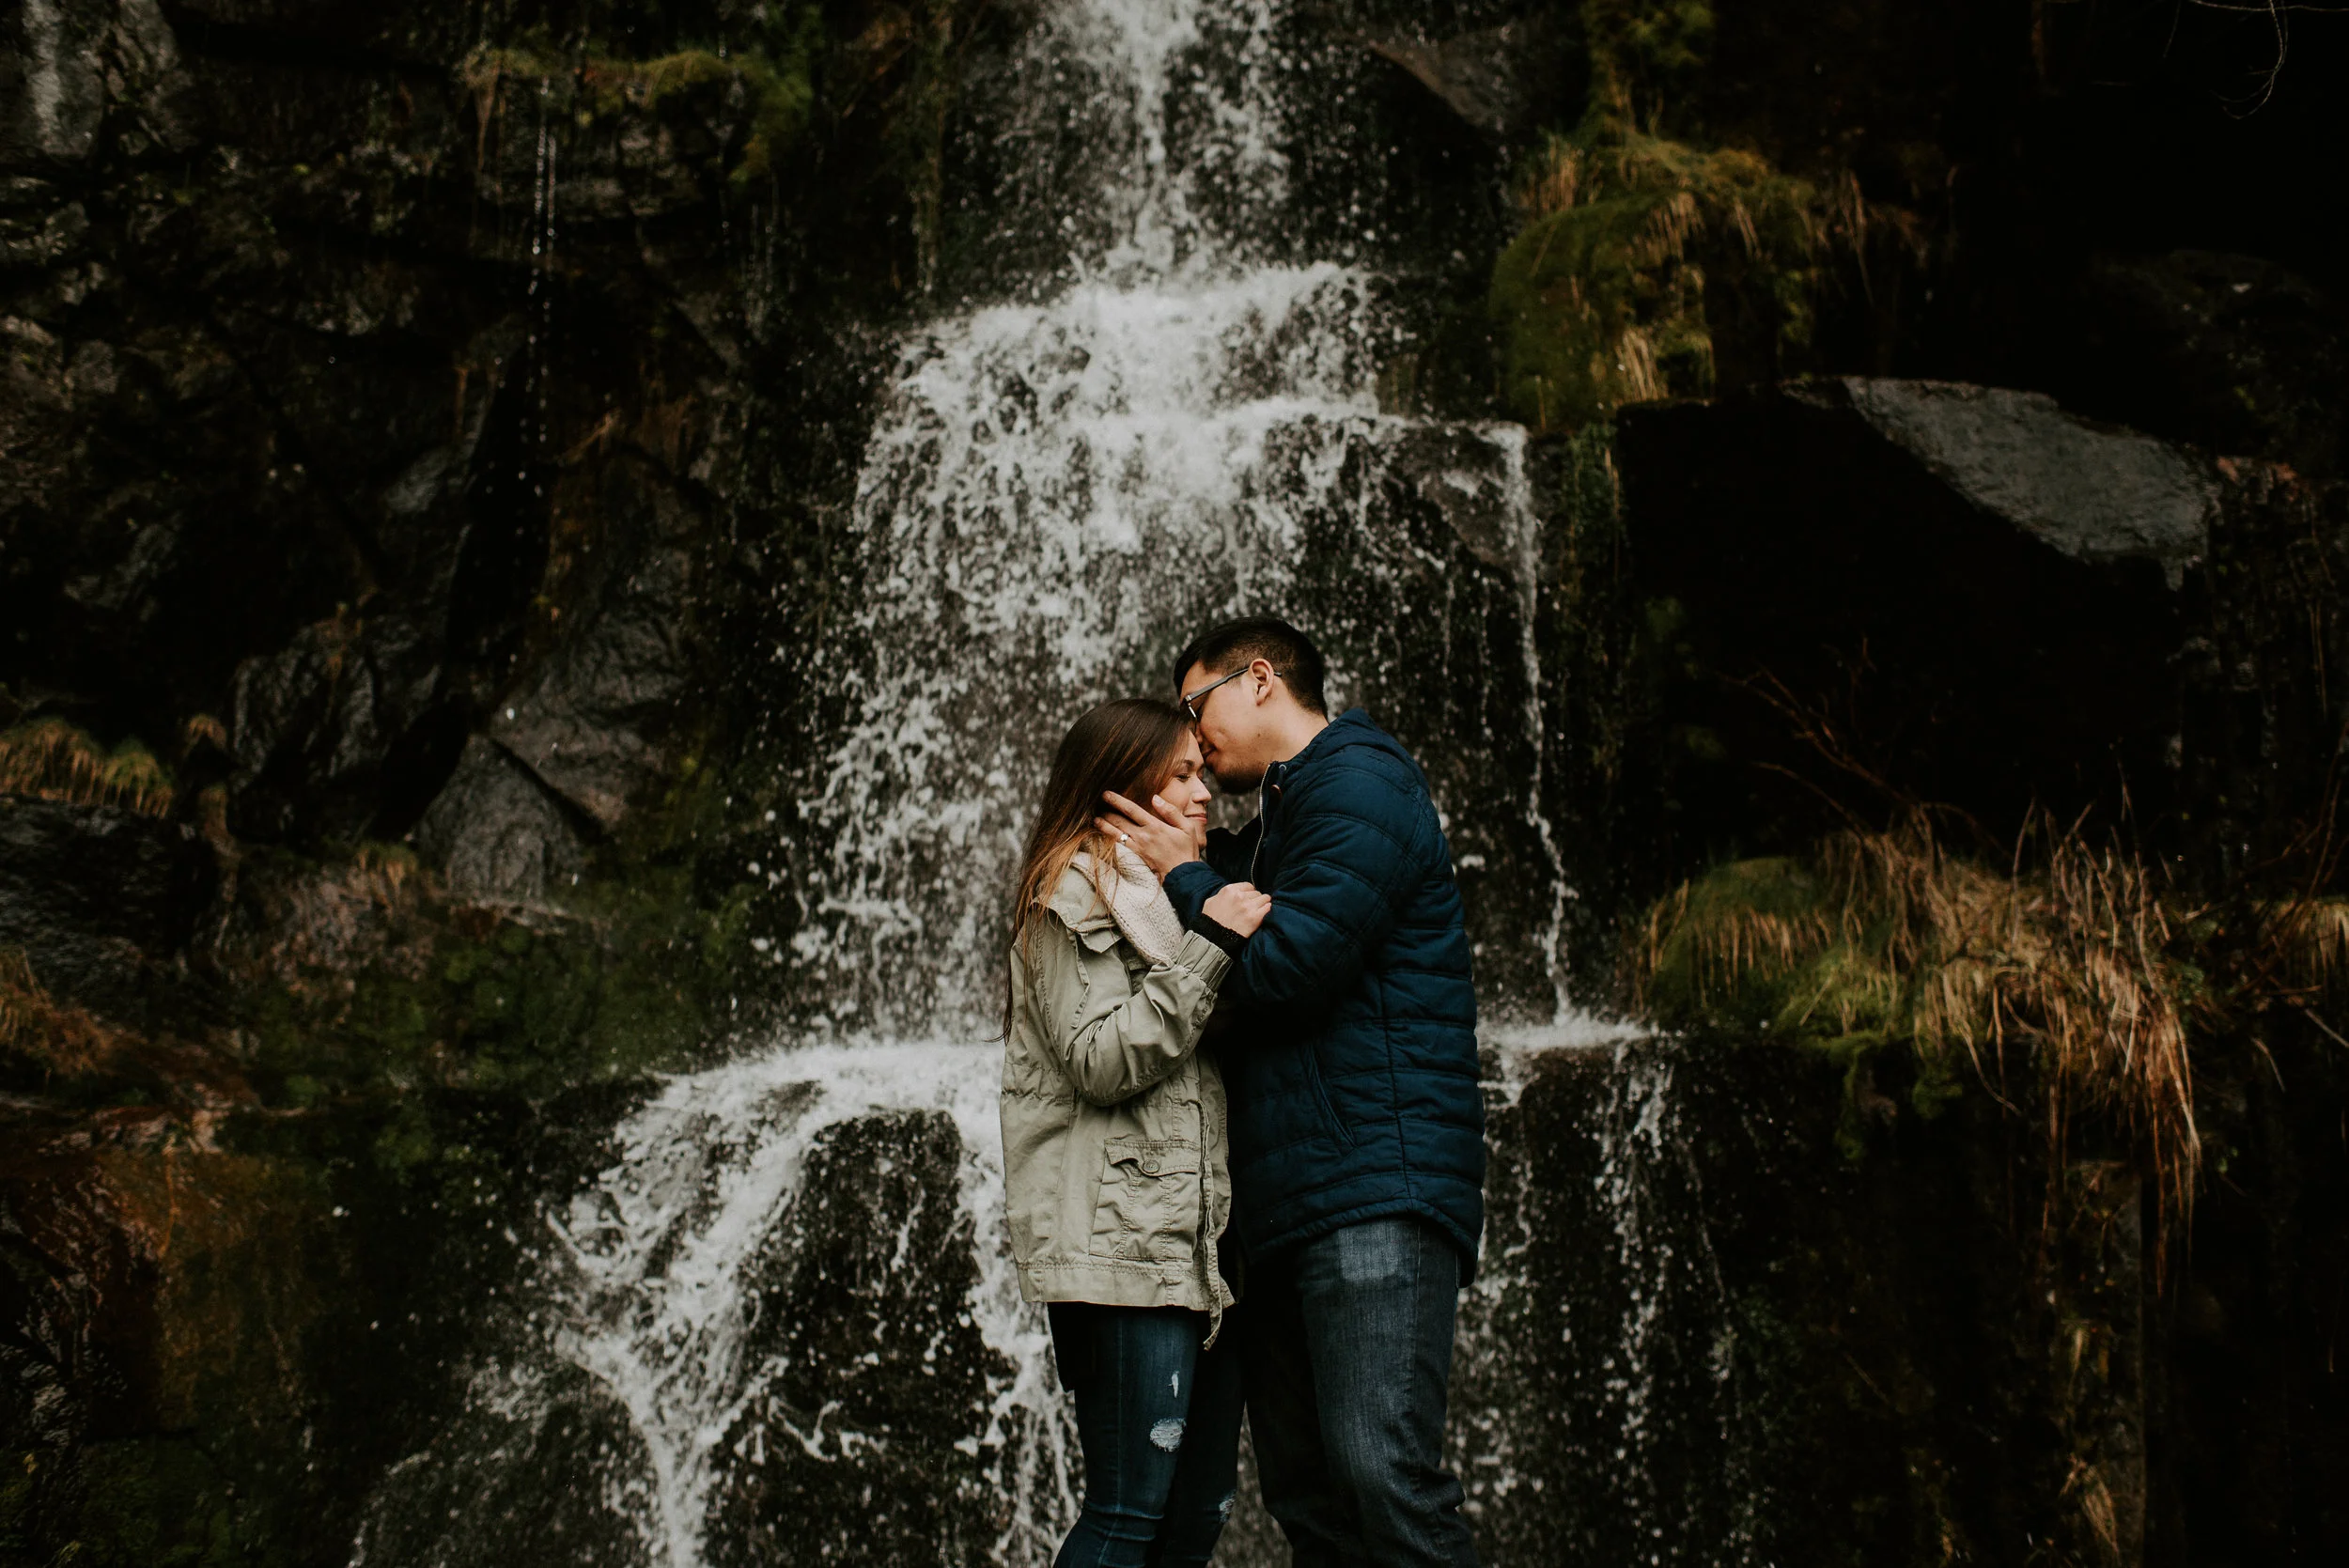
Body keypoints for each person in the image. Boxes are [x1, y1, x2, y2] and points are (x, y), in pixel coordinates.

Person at [1098, 616, 1486, 1567]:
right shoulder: (1283, 822)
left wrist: (1183, 874)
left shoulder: (1357, 781)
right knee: (1312, 1499)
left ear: (1260, 679)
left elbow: (1289, 966)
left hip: (1368, 1186)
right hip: (1287, 1206)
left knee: (1380, 1475)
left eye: (1197, 708)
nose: (1191, 740)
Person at [1001, 697, 1275, 1568]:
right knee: (1125, 1514)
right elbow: (1098, 1059)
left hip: (1199, 1248)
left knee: (1195, 1515)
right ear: (1120, 789)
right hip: (1120, 1246)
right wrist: (1209, 945)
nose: (1205, 795)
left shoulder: (1168, 895)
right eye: (1184, 775)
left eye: (1203, 772)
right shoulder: (1070, 889)